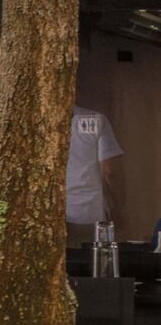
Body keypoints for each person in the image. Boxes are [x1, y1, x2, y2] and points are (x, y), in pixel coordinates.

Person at [63, 101, 124, 244]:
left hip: (48, 214)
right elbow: (110, 171)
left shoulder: (34, 120)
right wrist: (118, 207)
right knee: (92, 261)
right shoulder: (95, 120)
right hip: (89, 213)